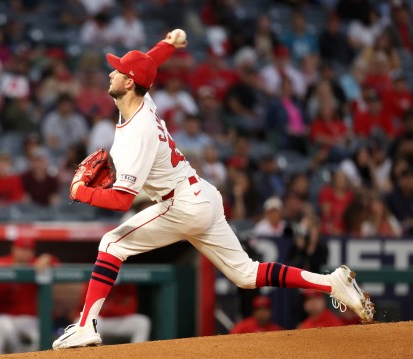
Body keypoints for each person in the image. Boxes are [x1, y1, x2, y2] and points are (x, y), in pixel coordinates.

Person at [53, 30, 374, 350]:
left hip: (181, 204)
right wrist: (168, 44)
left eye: (118, 70)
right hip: (202, 195)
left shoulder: (137, 133)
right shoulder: (143, 97)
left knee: (111, 243)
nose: (112, 72)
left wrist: (81, 191)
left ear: (128, 83)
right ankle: (331, 282)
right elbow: (149, 62)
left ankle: (86, 326)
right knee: (246, 274)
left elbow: (122, 200)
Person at [0, 237, 58, 352]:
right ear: (13, 249)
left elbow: (55, 263)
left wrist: (48, 258)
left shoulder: (36, 263)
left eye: (28, 250)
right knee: (5, 331)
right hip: (6, 317)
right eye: (21, 249)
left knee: (39, 339)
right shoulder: (3, 262)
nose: (24, 253)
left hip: (30, 319)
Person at [75, 283, 151, 343]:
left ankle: (137, 355)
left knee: (142, 322)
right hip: (99, 320)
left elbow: (131, 309)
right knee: (92, 322)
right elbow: (87, 307)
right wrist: (118, 306)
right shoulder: (96, 277)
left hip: (118, 320)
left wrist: (107, 307)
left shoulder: (127, 282)